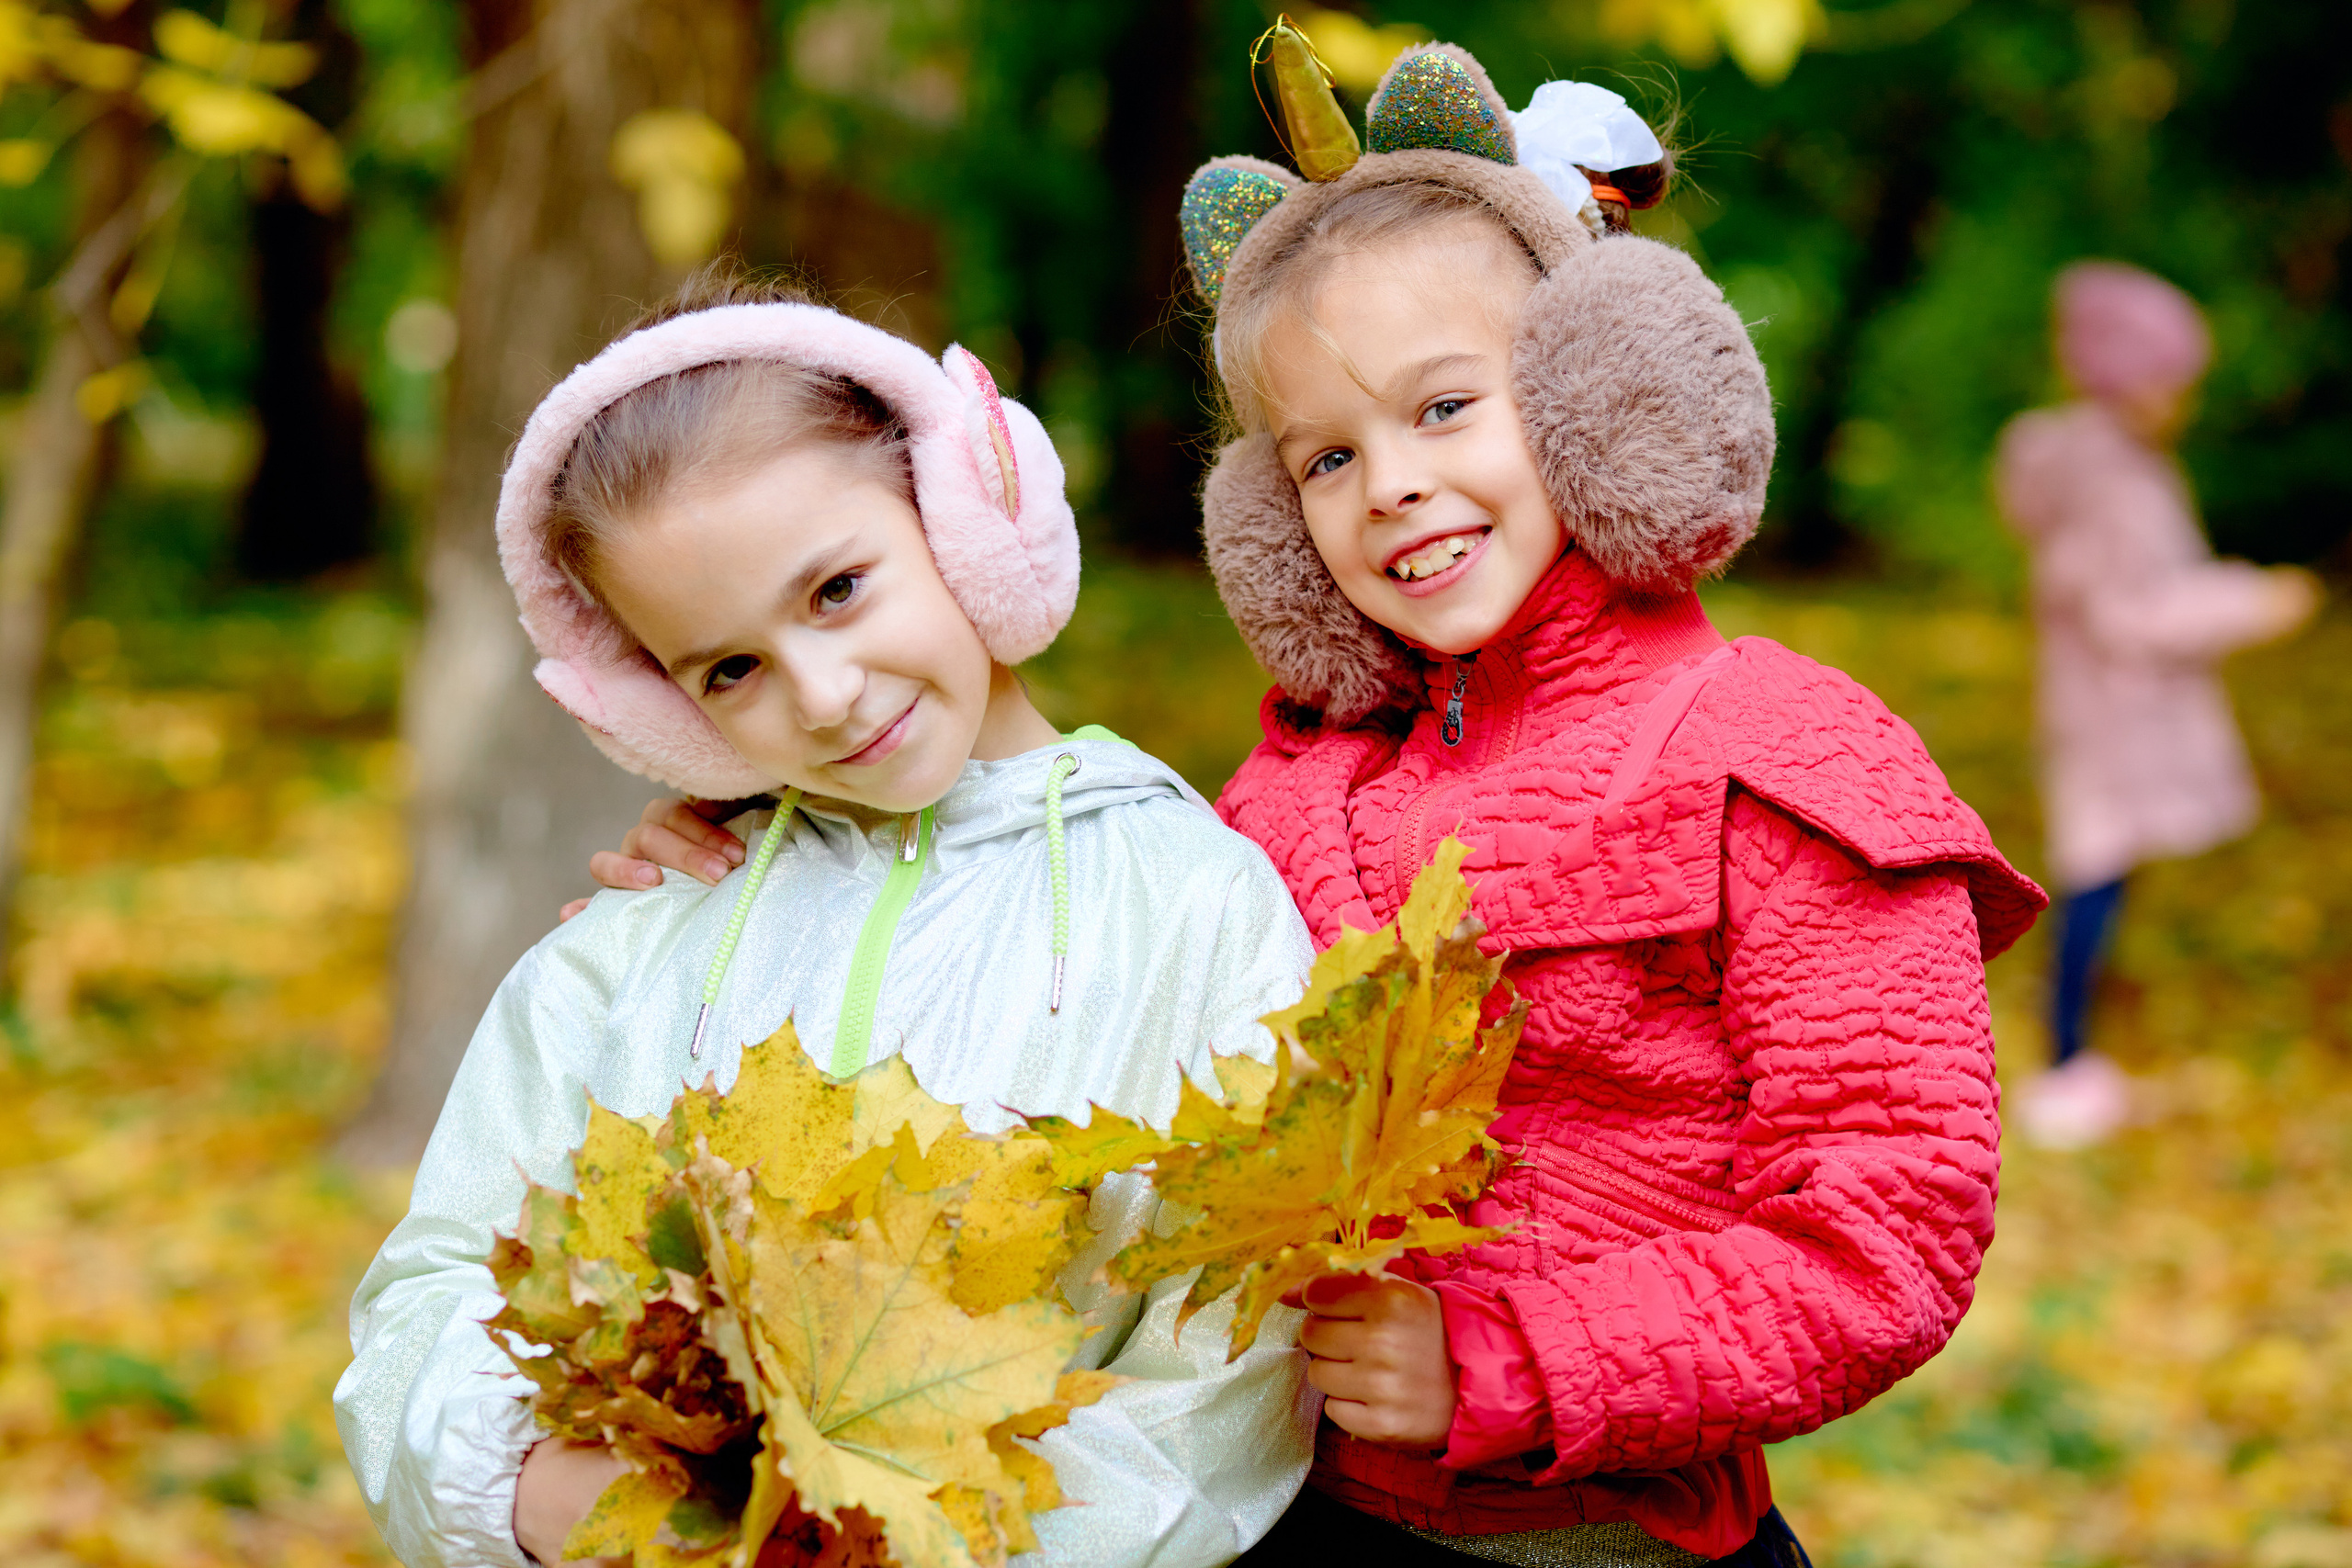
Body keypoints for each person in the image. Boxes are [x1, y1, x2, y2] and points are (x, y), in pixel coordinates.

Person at [590, 39, 2047, 1568]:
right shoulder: (1297, 788)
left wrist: (1516, 1363)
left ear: (1597, 397)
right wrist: (765, 870)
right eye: (1329, 455)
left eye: (1444, 409)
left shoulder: (1778, 752)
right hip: (1282, 1516)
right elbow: (1072, 965)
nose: (1391, 485)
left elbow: (1891, 1226)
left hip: (1596, 1537)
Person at [334, 269, 1321, 1568]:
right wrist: (522, 1483)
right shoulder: (643, 933)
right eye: (727, 668)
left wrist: (902, 1535)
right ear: (663, 714)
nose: (822, 691)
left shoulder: (1194, 904)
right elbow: (440, 1281)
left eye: (838, 588)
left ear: (963, 515)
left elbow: (1223, 1370)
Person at [1995, 262, 2317, 1149]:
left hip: (2099, 703)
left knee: (2105, 872)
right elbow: (2135, 611)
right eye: (2177, 383)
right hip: (2114, 710)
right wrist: (2254, 602)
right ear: (2130, 380)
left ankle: (2077, 1054)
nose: (2186, 402)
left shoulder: (2098, 460)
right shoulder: (2113, 479)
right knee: (2094, 876)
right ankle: (2064, 1066)